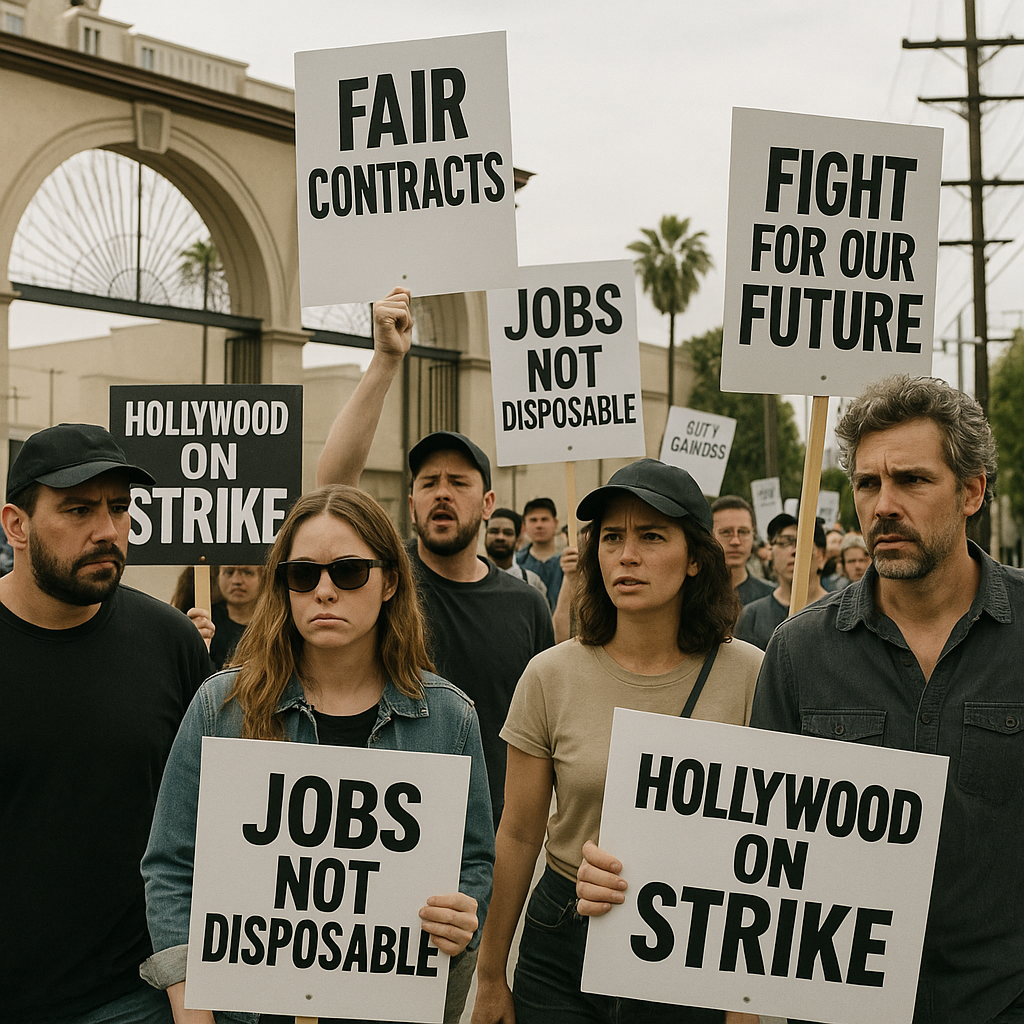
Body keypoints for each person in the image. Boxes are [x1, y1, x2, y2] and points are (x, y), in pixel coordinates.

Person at [141, 485, 494, 1024]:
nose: (324, 591)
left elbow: (472, 864)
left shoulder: (448, 719)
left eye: (349, 572)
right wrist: (194, 1012)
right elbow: (170, 867)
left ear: (389, 581)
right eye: (303, 574)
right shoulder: (221, 707)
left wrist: (462, 917)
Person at [748, 374, 1024, 1024]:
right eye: (868, 484)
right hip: (840, 1006)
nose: (883, 505)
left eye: (912, 480)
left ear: (973, 490)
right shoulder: (797, 654)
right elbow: (751, 848)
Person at [472, 459, 763, 1024]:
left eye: (651, 536)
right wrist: (490, 974)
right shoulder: (548, 675)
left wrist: (745, 1000)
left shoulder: (751, 675)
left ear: (697, 557)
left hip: (693, 947)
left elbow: (763, 845)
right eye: (611, 537)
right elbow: (518, 832)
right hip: (562, 941)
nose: (626, 555)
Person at [315, 287, 554, 825]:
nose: (442, 493)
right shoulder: (382, 581)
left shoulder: (527, 606)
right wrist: (385, 360)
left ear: (488, 502)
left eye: (458, 482)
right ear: (412, 501)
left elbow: (540, 736)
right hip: (382, 824)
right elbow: (331, 488)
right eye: (429, 482)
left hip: (487, 833)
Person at [0, 422, 212, 1024]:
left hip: (134, 997)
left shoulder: (169, 642)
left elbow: (218, 816)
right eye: (78, 509)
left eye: (119, 508)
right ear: (16, 524)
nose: (107, 530)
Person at [734, 513, 828, 650]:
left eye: (803, 542)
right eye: (784, 543)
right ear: (771, 553)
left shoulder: (838, 613)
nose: (795, 550)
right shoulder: (752, 616)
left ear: (822, 557)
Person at [711, 495, 775, 605]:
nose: (735, 541)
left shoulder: (772, 597)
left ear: (753, 535)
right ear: (710, 536)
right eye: (726, 532)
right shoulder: (689, 595)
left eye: (743, 532)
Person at [484, 506, 549, 601]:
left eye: (507, 533)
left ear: (518, 540)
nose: (500, 537)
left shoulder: (531, 582)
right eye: (494, 531)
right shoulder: (471, 578)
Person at [208, 564, 262, 669]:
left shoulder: (273, 622)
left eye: (247, 572)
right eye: (229, 572)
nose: (237, 581)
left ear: (262, 577)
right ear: (218, 576)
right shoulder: (206, 620)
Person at [516, 497, 563, 610]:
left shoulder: (569, 563)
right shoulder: (516, 563)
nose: (539, 525)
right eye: (533, 520)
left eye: (544, 519)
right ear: (524, 525)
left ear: (555, 523)